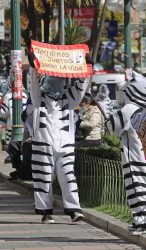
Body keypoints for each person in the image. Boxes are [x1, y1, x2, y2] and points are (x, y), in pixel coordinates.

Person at [27, 50, 90, 224]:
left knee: (68, 176)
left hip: (65, 146)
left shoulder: (68, 99)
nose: (57, 82)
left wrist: (87, 67)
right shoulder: (39, 97)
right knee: (43, 178)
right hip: (43, 144)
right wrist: (34, 67)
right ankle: (45, 212)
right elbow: (33, 83)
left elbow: (80, 88)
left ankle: (74, 209)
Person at [105, 70, 146, 235]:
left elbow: (112, 128)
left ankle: (145, 222)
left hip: (134, 156)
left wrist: (110, 118)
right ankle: (142, 220)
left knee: (137, 188)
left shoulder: (129, 109)